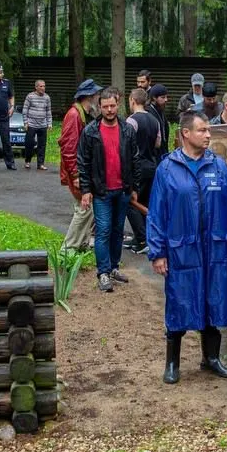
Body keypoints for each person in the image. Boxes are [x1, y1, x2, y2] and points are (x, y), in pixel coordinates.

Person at [147, 111, 227, 384]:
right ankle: (172, 363)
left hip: (214, 249)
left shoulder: (218, 166)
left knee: (213, 301)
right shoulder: (168, 169)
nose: (208, 135)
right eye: (202, 130)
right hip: (182, 249)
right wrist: (157, 252)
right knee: (180, 303)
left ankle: (212, 358)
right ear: (185, 133)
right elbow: (156, 213)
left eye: (208, 130)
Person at [77, 87, 139, 293]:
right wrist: (86, 190)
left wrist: (134, 187)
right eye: (105, 107)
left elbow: (134, 159)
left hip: (122, 190)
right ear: (100, 107)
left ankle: (113, 267)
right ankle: (103, 272)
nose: (110, 110)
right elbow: (83, 162)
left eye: (113, 106)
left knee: (117, 231)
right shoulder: (91, 131)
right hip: (101, 191)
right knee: (103, 230)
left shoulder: (127, 130)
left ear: (118, 104)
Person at [58, 79, 99, 252]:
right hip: (77, 172)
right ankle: (68, 249)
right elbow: (68, 147)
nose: (98, 98)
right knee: (85, 208)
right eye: (96, 95)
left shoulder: (82, 114)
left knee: (87, 208)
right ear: (89, 96)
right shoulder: (75, 115)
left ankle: (81, 244)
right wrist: (75, 176)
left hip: (82, 170)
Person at [124, 87, 162, 254]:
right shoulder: (155, 120)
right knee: (145, 202)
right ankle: (144, 236)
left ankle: (141, 239)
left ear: (132, 100)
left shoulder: (131, 121)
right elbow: (158, 143)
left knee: (131, 202)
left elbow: (125, 145)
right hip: (151, 165)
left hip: (136, 167)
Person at [22, 79, 52, 171]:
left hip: (42, 125)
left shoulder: (47, 98)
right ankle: (27, 161)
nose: (43, 88)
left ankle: (40, 164)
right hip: (31, 124)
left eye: (44, 86)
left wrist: (49, 123)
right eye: (41, 86)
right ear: (36, 87)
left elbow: (48, 111)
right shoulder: (30, 96)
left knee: (42, 145)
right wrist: (25, 122)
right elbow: (25, 110)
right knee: (29, 144)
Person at [148, 84, 171, 162]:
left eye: (166, 97)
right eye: (163, 97)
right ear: (154, 98)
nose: (166, 100)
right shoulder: (149, 113)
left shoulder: (160, 111)